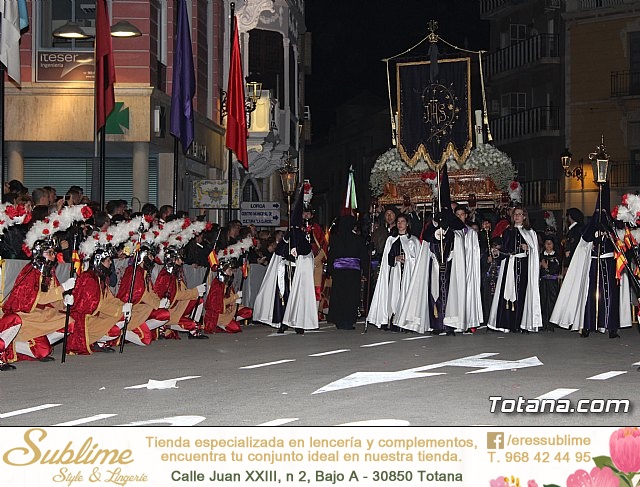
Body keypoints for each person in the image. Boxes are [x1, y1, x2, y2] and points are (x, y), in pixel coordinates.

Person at [551, 185, 630, 338]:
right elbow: (585, 240)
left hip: (609, 263)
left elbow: (620, 241)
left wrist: (608, 235)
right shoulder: (590, 226)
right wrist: (595, 234)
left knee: (610, 295)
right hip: (594, 263)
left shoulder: (612, 226)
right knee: (591, 293)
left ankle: (611, 326)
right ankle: (587, 325)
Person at [253, 186, 318, 334]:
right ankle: (282, 321)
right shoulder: (288, 236)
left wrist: (299, 251)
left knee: (297, 296)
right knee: (284, 296)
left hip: (297, 271)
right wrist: (287, 251)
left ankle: (297, 322)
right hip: (285, 270)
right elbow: (280, 251)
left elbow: (307, 250)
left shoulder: (302, 235)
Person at [487, 206, 542, 333]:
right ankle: (507, 323)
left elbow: (535, 252)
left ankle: (522, 323)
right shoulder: (508, 231)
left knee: (522, 293)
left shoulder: (530, 232)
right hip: (510, 266)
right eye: (515, 214)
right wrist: (497, 252)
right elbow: (505, 250)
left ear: (524, 217)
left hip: (523, 266)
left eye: (519, 214)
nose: (517, 216)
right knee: (507, 293)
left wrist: (528, 248)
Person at [367, 213, 419, 330]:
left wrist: (409, 260)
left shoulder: (413, 240)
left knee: (407, 295)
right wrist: (395, 259)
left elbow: (418, 260)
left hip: (408, 274)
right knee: (394, 295)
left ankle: (407, 322)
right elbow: (386, 258)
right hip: (395, 273)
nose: (400, 224)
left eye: (402, 222)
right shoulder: (391, 240)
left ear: (407, 224)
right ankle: (394, 321)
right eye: (398, 222)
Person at [327, 215, 367, 330]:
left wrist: (330, 270)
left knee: (339, 296)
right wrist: (365, 271)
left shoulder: (334, 239)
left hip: (339, 272)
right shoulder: (358, 240)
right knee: (351, 296)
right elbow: (363, 257)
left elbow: (331, 256)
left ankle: (339, 320)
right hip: (352, 272)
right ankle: (348, 321)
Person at [539, 236, 562, 332]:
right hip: (543, 282)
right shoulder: (541, 256)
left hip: (553, 282)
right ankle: (543, 323)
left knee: (552, 301)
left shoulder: (557, 256)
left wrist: (547, 268)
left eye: (550, 243)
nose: (548, 245)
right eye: (546, 243)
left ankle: (551, 324)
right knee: (543, 301)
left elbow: (557, 269)